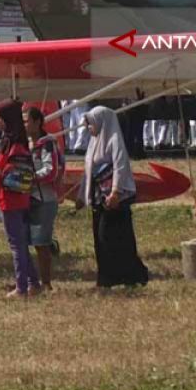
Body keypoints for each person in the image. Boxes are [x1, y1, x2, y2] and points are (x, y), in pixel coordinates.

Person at [74, 105, 149, 288]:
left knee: (116, 238)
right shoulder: (93, 143)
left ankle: (133, 275)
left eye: (91, 124)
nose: (89, 128)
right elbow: (88, 172)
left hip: (115, 200)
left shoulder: (114, 140)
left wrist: (115, 191)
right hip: (99, 200)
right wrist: (81, 196)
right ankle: (106, 278)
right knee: (100, 239)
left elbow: (120, 167)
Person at [0, 99, 41, 298]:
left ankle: (21, 287)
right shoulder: (18, 140)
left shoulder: (9, 143)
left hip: (10, 199)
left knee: (16, 245)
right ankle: (33, 283)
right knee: (20, 242)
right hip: (22, 197)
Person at [27, 106, 64, 291]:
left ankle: (46, 282)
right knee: (26, 241)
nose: (24, 124)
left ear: (37, 122)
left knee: (41, 243)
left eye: (27, 120)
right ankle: (29, 281)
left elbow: (51, 170)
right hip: (29, 198)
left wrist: (30, 179)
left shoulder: (47, 143)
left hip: (44, 199)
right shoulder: (26, 144)